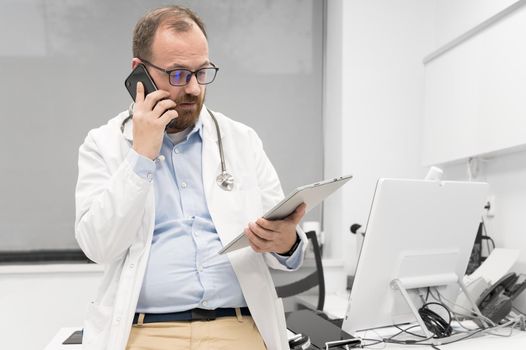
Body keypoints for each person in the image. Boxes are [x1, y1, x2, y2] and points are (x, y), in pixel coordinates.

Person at [75, 5, 307, 350]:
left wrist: (286, 242)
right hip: (145, 332)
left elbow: (283, 249)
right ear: (140, 73)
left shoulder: (241, 140)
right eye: (179, 74)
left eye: (202, 72)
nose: (195, 89)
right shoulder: (104, 143)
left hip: (237, 326)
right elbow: (98, 247)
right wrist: (141, 156)